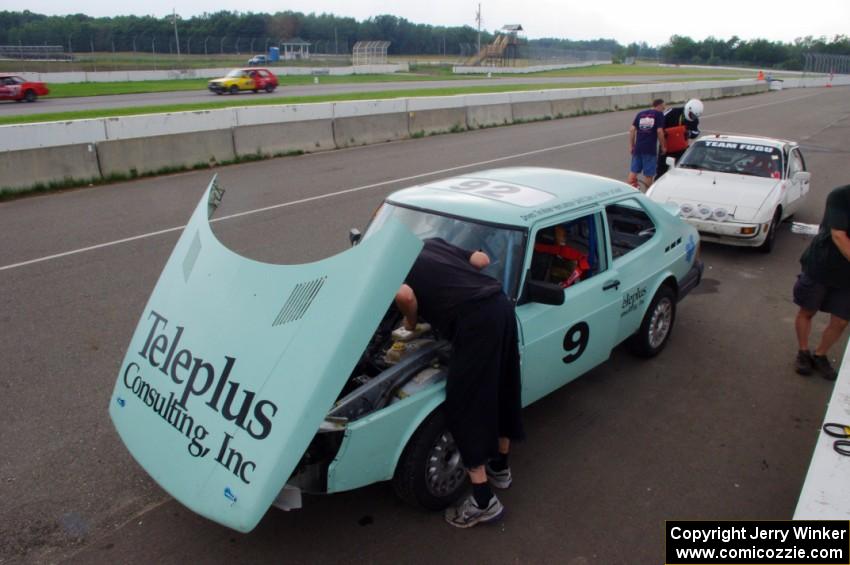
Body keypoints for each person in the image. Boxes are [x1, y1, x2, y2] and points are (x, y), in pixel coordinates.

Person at [394, 238, 524, 528]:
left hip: (475, 321)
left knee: (464, 404)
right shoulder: (430, 243)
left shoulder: (393, 263)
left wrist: (411, 324)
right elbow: (481, 261)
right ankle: (500, 468)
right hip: (500, 306)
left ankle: (483, 501)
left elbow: (405, 295)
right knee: (504, 387)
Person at [793, 184, 850, 380]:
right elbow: (838, 235)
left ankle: (820, 354)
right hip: (822, 265)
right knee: (808, 311)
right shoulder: (841, 196)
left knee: (842, 320)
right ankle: (803, 352)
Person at [656, 98, 704, 178]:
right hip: (666, 147)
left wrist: (689, 133)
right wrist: (665, 133)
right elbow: (659, 125)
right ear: (688, 109)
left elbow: (696, 132)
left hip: (681, 149)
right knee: (661, 171)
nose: (692, 118)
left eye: (695, 116)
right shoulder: (672, 111)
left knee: (681, 172)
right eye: (691, 115)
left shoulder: (694, 120)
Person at [628, 99, 667, 190]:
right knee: (649, 174)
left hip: (638, 148)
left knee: (633, 171)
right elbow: (659, 131)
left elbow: (632, 129)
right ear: (659, 106)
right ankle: (647, 194)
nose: (664, 108)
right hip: (649, 149)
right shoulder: (658, 114)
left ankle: (630, 191)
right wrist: (663, 146)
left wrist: (632, 146)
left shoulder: (640, 114)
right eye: (664, 106)